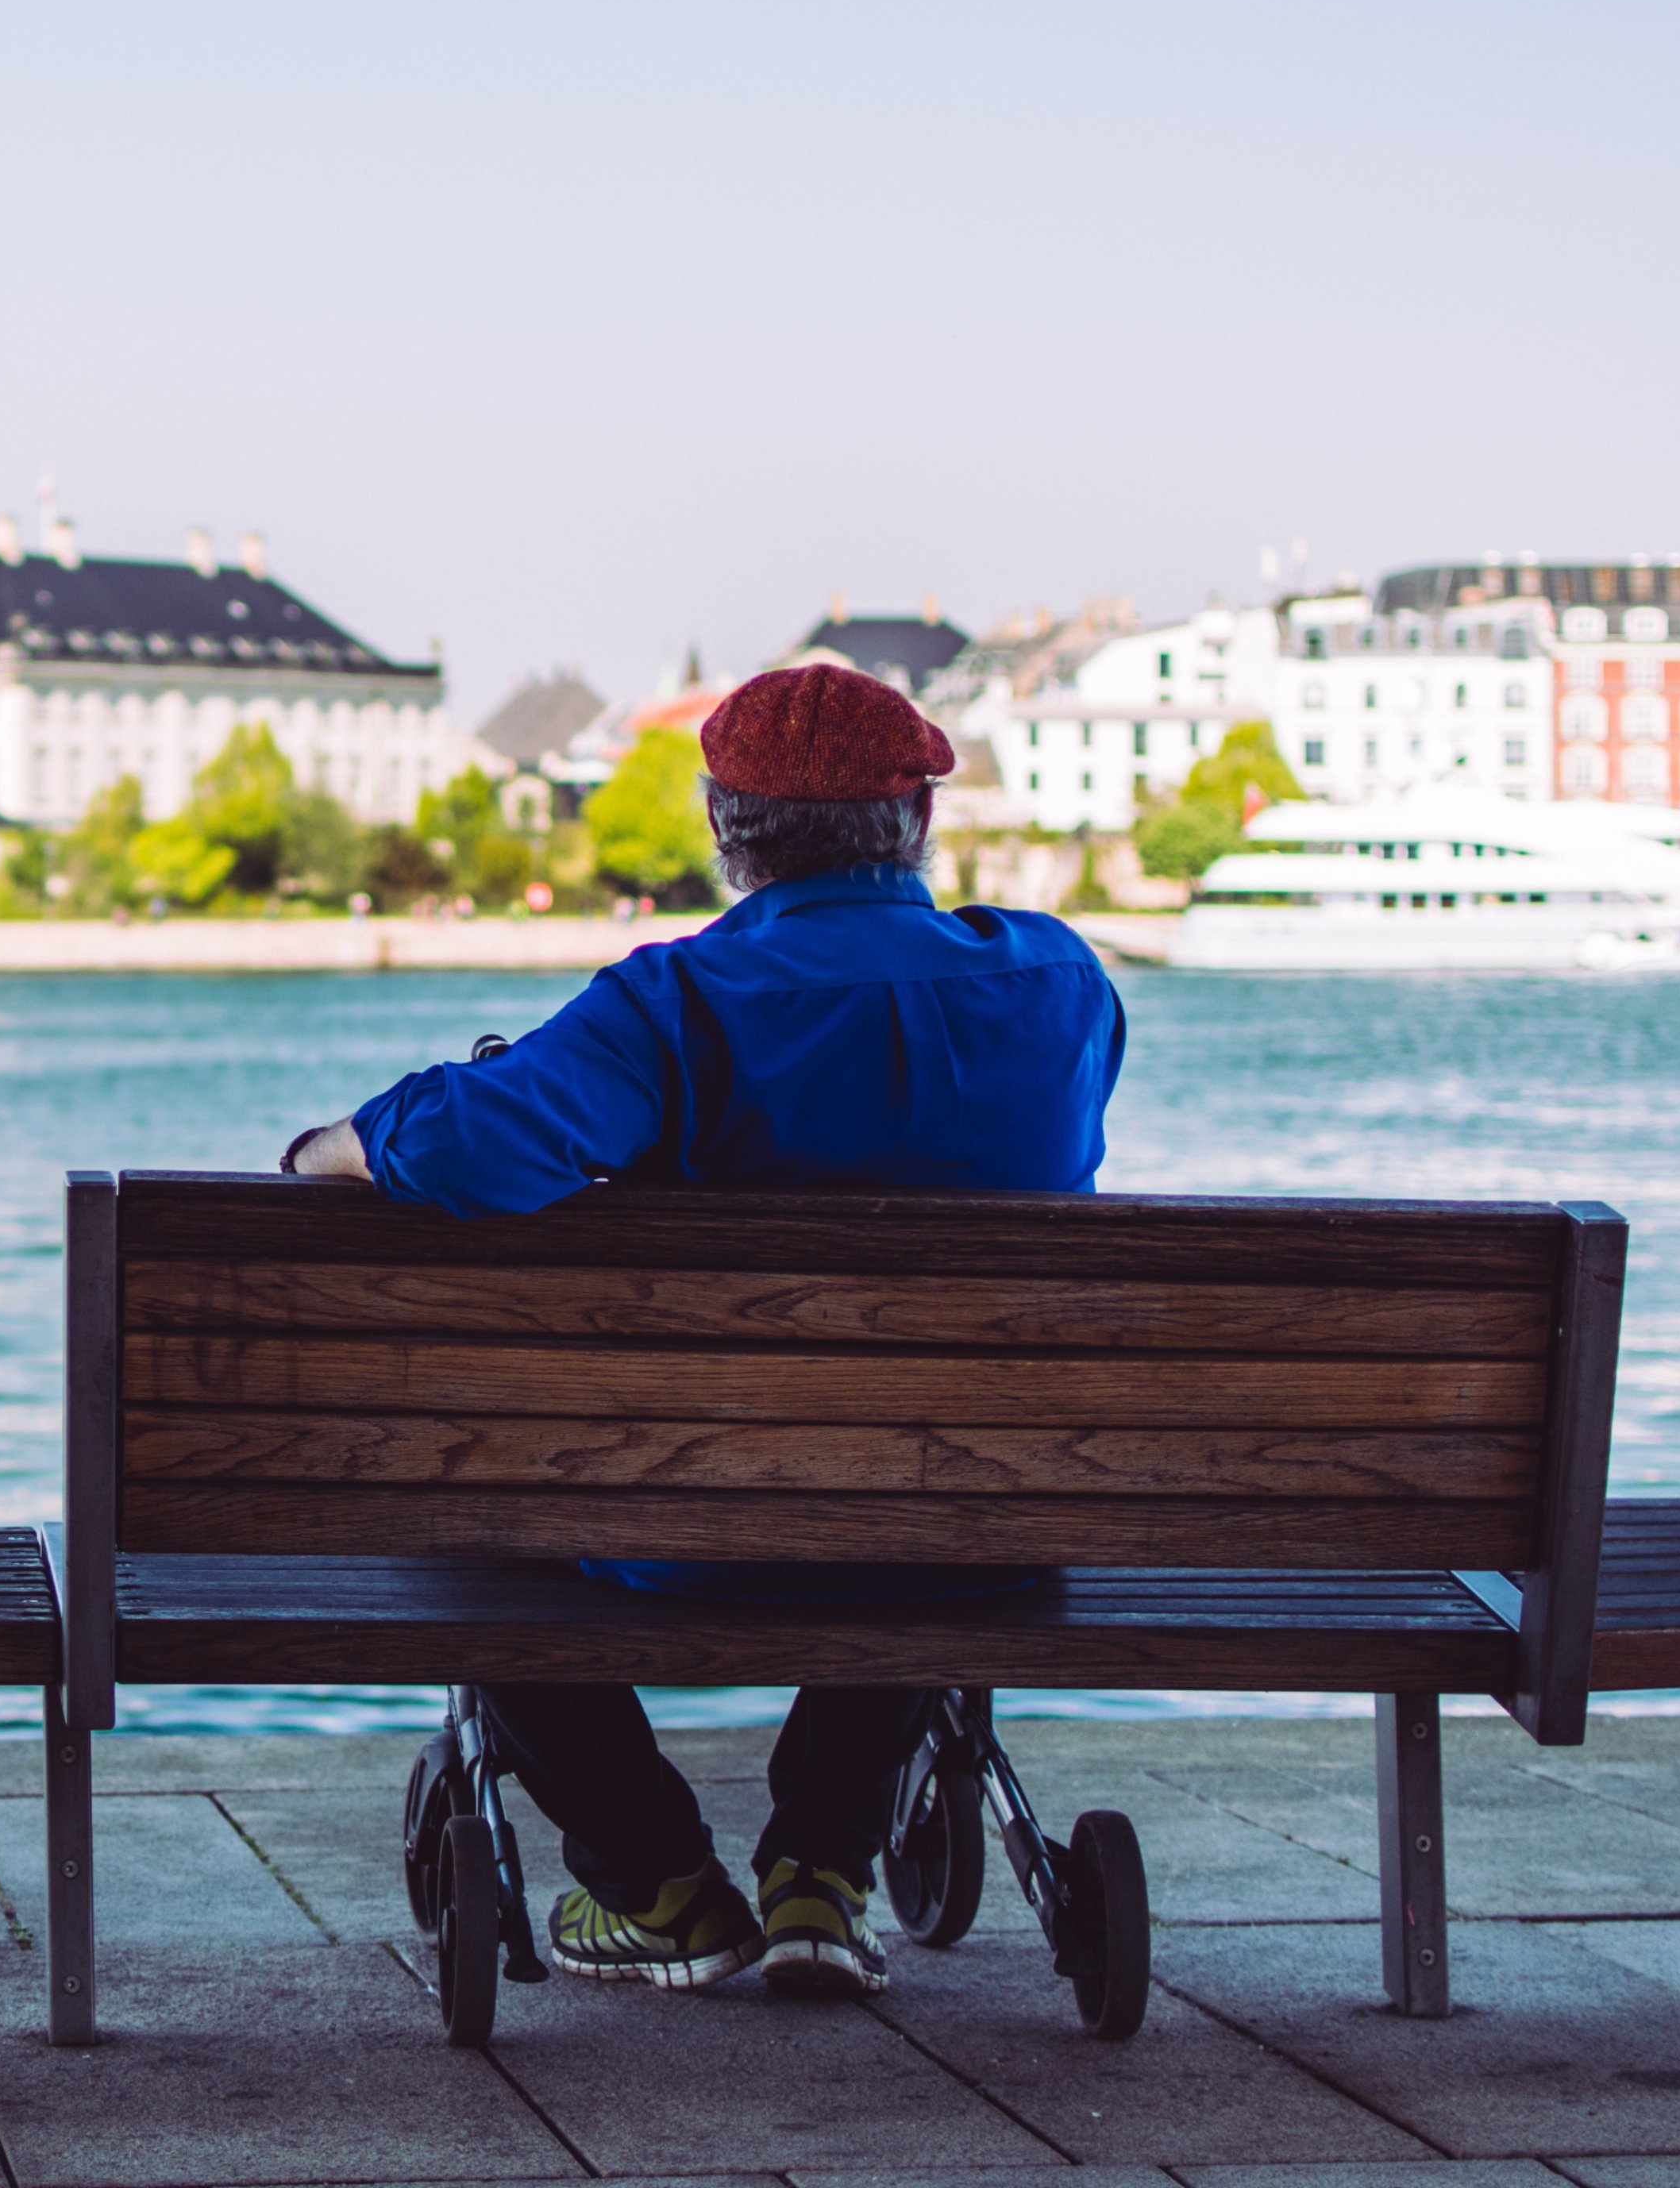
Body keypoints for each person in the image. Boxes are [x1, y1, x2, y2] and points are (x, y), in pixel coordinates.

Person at [283, 661, 1125, 1998]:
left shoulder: (670, 1007)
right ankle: (822, 1873)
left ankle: (656, 1884)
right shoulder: (1059, 983)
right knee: (925, 1483)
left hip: (690, 1527)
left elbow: (463, 1146)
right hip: (983, 1523)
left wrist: (326, 1145)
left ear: (727, 832)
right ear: (915, 820)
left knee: (464, 1517)